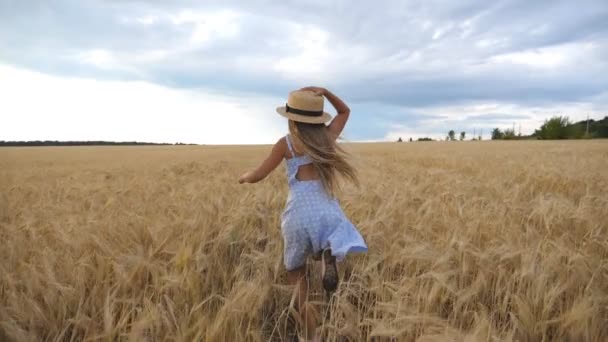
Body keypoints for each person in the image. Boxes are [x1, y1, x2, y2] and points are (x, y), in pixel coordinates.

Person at [238, 86, 368, 341]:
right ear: (318, 119)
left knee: (295, 272)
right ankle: (326, 253)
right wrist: (327, 92)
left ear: (291, 119)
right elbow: (345, 111)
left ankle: (310, 331)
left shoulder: (285, 145)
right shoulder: (327, 138)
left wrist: (244, 177)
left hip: (297, 213)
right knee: (328, 236)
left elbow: (258, 175)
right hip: (325, 212)